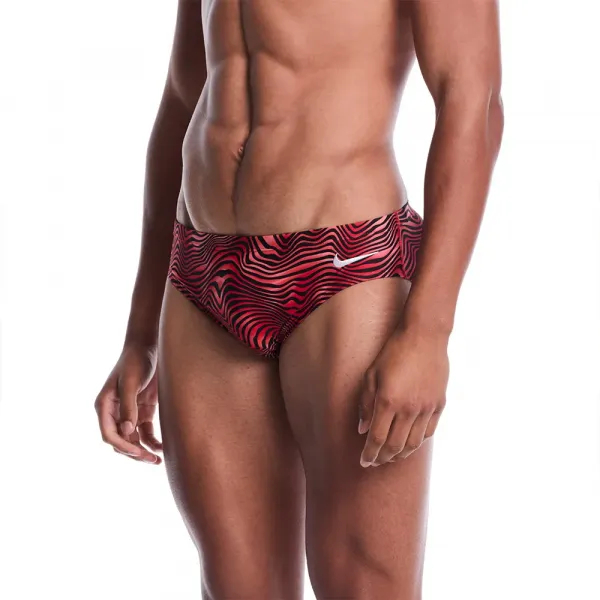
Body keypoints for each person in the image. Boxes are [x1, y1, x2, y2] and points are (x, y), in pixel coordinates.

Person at [94, 1, 503, 598]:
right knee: (236, 585)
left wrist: (428, 332)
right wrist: (140, 334)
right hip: (203, 271)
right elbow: (185, 93)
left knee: (366, 584)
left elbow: (473, 98)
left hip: (347, 266)